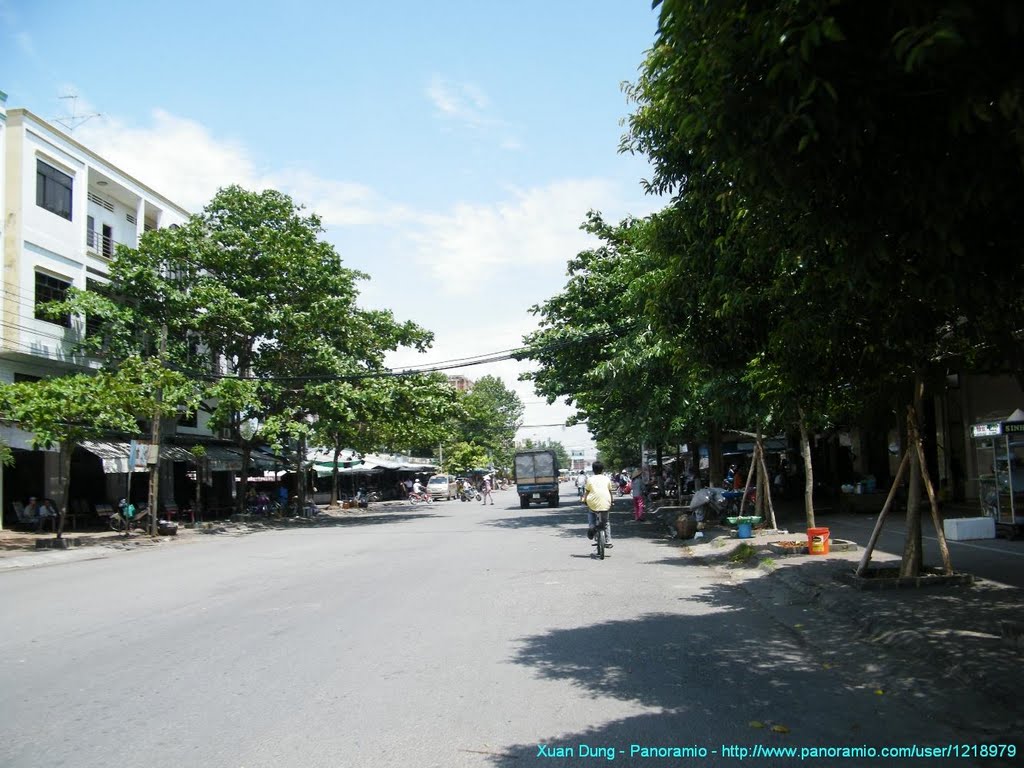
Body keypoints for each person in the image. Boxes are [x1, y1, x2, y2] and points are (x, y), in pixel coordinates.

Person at [584, 461, 616, 549]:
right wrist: (612, 501)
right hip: (606, 503)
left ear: (593, 470)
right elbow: (610, 492)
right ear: (602, 470)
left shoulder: (590, 479)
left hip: (593, 503)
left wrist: (584, 500)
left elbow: (587, 492)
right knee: (606, 523)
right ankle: (608, 541)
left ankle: (592, 526)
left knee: (591, 513)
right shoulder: (607, 479)